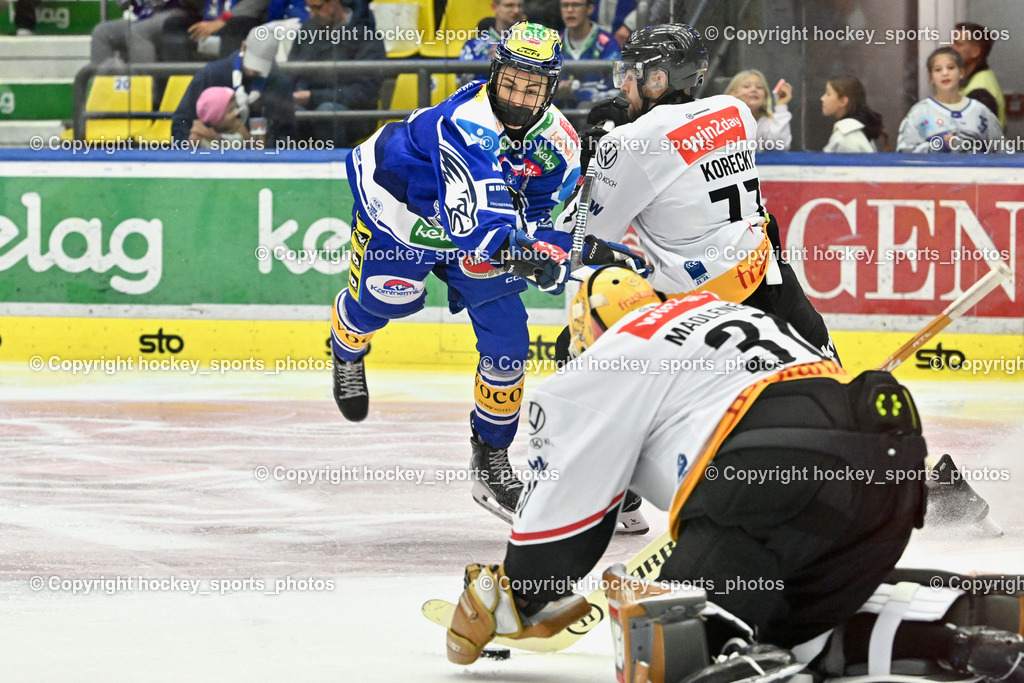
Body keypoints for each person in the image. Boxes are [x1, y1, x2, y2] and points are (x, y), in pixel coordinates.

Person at [444, 266, 1024, 683]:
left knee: (666, 643)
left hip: (770, 471)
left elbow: (562, 527)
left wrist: (512, 595)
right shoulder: (726, 313)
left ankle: (754, 675)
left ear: (588, 331)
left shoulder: (607, 357)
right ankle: (967, 629)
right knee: (796, 625)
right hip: (888, 471)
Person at [331, 22, 602, 524]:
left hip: (477, 233)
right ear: (494, 72)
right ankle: (346, 345)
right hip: (401, 213)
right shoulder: (465, 121)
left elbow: (550, 216)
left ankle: (490, 458)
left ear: (551, 87)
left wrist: (557, 248)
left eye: (533, 87)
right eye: (511, 82)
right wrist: (531, 256)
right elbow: (479, 221)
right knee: (379, 306)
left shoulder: (558, 141)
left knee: (509, 343)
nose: (518, 97)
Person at [573, 25, 836, 363]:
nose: (623, 84)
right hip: (774, 283)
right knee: (830, 381)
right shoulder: (736, 111)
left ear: (657, 79)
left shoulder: (626, 143)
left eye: (631, 72)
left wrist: (593, 168)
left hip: (698, 310)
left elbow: (583, 240)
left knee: (576, 339)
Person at [171, 26, 296, 146]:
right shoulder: (211, 74)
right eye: (251, 62)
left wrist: (261, 146)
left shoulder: (279, 83)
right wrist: (188, 141)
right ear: (243, 46)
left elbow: (286, 134)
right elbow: (181, 120)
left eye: (259, 66)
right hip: (207, 156)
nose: (252, 72)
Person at [286, 0, 385, 147]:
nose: (312, 13)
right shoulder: (307, 30)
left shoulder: (367, 35)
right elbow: (292, 73)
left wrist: (313, 97)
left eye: (318, 7)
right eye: (310, 8)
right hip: (310, 105)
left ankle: (333, 164)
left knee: (327, 112)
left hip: (355, 114)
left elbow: (365, 92)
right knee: (288, 112)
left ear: (334, 3)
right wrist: (298, 92)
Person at [896, 47, 1003, 154]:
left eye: (951, 67)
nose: (945, 73)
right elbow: (904, 153)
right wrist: (939, 145)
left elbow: (1002, 152)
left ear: (961, 72)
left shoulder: (980, 112)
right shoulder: (919, 113)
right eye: (938, 69)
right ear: (931, 77)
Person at [554, 0, 621, 113]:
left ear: (590, 9)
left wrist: (575, 93)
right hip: (560, 115)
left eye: (576, 5)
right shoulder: (554, 43)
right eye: (565, 5)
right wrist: (556, 92)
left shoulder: (608, 44)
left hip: (594, 115)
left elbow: (616, 91)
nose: (569, 10)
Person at [91, 0, 200, 68]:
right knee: (102, 32)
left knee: (139, 31)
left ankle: (143, 93)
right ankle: (102, 94)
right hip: (142, 15)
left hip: (177, 12)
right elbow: (124, 4)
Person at [455, 0, 524, 85]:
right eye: (509, 6)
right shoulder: (474, 46)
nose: (516, 10)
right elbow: (463, 85)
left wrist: (511, 56)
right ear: (495, 7)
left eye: (520, 6)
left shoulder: (534, 44)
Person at [952, 21, 1006, 127]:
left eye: (958, 44)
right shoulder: (975, 78)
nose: (951, 48)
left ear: (975, 52)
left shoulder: (980, 93)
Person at [725, 68, 792, 151]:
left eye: (759, 87)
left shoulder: (767, 123)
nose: (753, 89)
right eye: (746, 86)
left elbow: (780, 146)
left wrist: (781, 106)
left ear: (765, 98)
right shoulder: (720, 121)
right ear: (732, 94)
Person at [820, 75, 885, 153]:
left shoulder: (846, 137)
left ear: (843, 101)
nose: (822, 98)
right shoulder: (857, 130)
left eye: (828, 94)